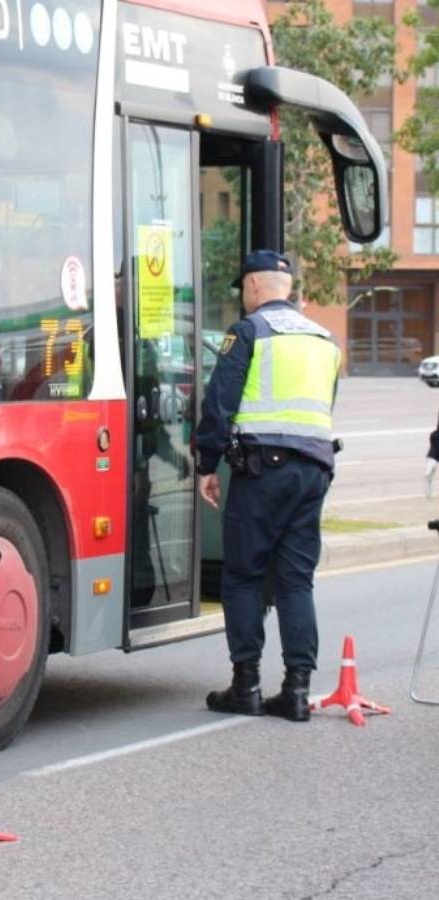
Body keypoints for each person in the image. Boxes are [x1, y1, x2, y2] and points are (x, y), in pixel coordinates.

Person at [195, 250, 342, 722]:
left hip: (263, 471)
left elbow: (220, 402)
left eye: (243, 289)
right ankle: (297, 691)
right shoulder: (325, 339)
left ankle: (246, 686)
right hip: (314, 471)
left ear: (254, 288)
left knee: (243, 576)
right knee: (296, 579)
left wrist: (206, 464)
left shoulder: (249, 332)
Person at [426, 416, 439, 499]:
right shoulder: (434, 434)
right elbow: (432, 445)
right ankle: (429, 492)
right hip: (433, 456)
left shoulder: (433, 434)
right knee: (428, 474)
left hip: (434, 456)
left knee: (429, 474)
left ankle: (429, 491)